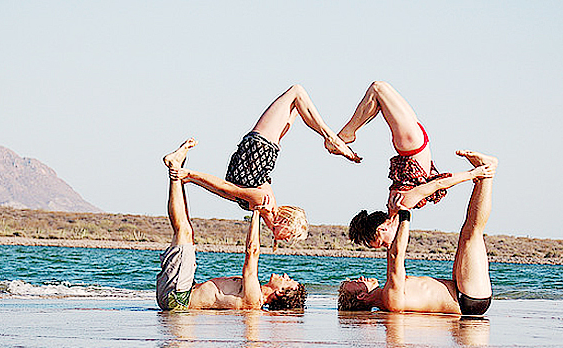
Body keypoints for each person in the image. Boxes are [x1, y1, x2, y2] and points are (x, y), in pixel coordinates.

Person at [170, 84, 361, 247]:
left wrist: (189, 177)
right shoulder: (262, 203)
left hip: (260, 152)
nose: (289, 239)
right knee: (295, 99)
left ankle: (331, 139)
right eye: (291, 235)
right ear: (285, 222)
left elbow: (225, 191)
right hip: (259, 153)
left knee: (296, 94)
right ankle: (331, 139)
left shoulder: (261, 205)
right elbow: (226, 188)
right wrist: (190, 176)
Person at [338, 150, 497, 315]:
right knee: (471, 235)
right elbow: (395, 256)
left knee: (467, 234)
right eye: (357, 282)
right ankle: (488, 172)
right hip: (469, 299)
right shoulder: (390, 297)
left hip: (461, 290)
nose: (361, 277)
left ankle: (483, 177)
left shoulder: (388, 297)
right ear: (362, 295)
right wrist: (405, 214)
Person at [157, 139, 307, 311]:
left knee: (183, 231)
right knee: (186, 231)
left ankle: (176, 169)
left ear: (280, 293)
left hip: (178, 299)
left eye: (288, 280)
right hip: (183, 292)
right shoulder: (254, 296)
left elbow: (252, 252)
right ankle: (179, 172)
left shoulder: (254, 298)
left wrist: (256, 212)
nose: (285, 275)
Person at [339, 81, 493, 248]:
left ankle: (348, 133)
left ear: (382, 229)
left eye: (382, 243)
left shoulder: (403, 202)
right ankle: (349, 133)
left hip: (411, 145)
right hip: (413, 143)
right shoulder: (397, 205)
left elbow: (439, 183)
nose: (387, 246)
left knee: (378, 89)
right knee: (378, 98)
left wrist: (473, 173)